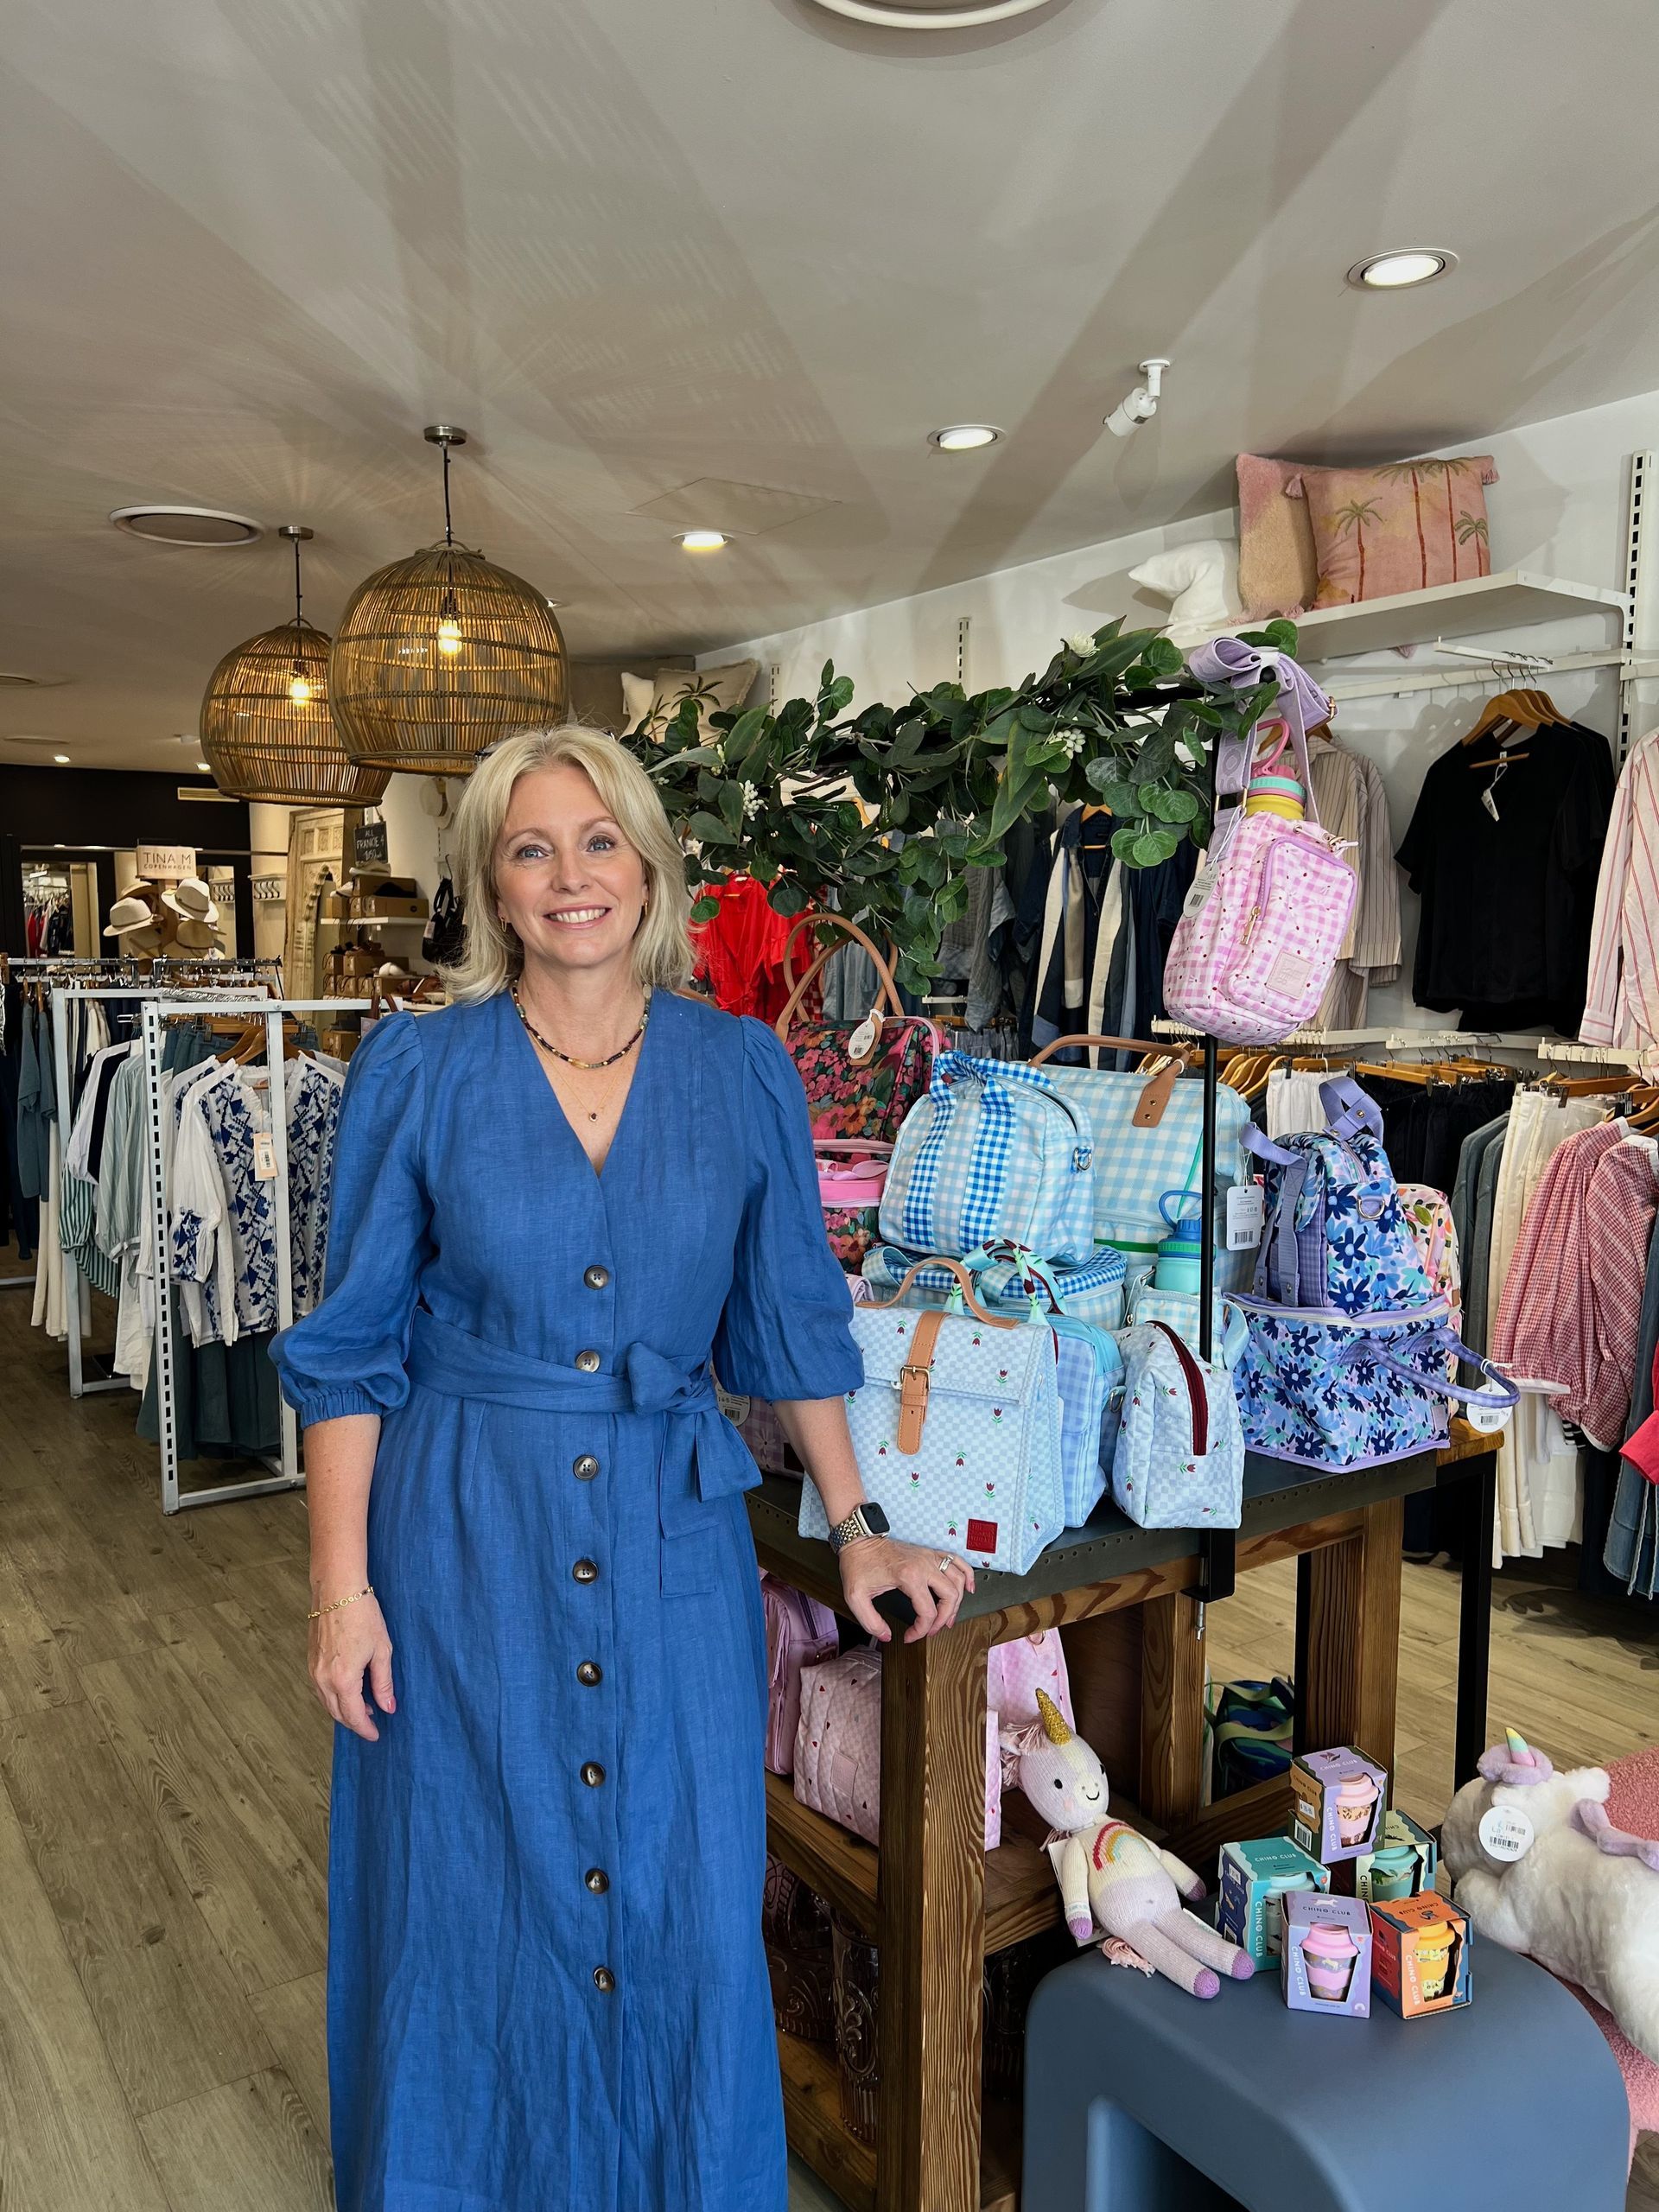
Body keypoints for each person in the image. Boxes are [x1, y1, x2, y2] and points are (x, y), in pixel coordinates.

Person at [272, 724, 975, 2212]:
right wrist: (342, 1593)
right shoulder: (420, 1066)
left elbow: (789, 1322)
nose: (570, 875)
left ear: (651, 868)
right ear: (491, 882)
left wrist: (860, 1529)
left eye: (599, 841)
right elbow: (351, 1350)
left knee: (680, 1891)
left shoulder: (740, 1071)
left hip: (671, 1533)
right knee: (465, 1889)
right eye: (532, 847)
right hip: (463, 1535)